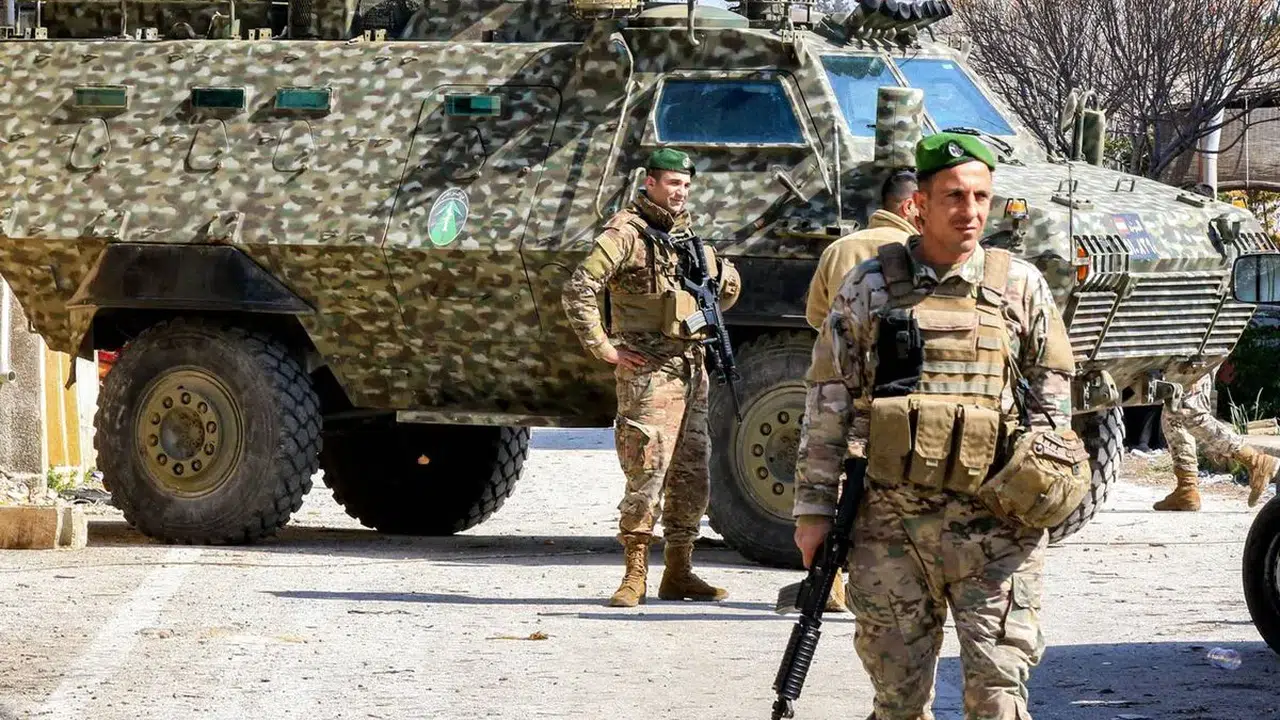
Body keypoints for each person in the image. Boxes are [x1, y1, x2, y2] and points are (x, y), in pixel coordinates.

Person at [793, 132, 1077, 719]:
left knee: (999, 696)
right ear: (919, 203)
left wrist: (1046, 494)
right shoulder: (869, 286)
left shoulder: (1021, 285)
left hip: (998, 530)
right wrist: (813, 512)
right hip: (891, 530)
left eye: (981, 196)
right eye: (953, 196)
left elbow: (1053, 409)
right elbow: (828, 403)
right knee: (898, 702)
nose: (969, 210)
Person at [561, 148, 742, 608]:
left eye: (686, 185)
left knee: (691, 474)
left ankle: (679, 570)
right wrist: (605, 348)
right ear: (650, 183)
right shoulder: (626, 233)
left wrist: (717, 278)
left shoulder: (686, 237)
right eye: (672, 183)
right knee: (647, 470)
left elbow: (724, 291)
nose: (680, 192)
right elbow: (579, 288)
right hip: (647, 370)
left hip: (690, 367)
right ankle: (634, 573)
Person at [797, 169, 919, 614]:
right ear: (910, 206)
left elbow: (816, 316)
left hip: (842, 385)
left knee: (835, 476)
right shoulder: (917, 251)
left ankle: (829, 578)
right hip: (901, 391)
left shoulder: (840, 249)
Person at [1154, 367, 1279, 511]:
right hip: (1185, 358)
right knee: (1174, 417)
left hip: (1195, 359)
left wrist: (1199, 372)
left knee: (1193, 415)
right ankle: (1186, 489)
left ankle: (1256, 461)